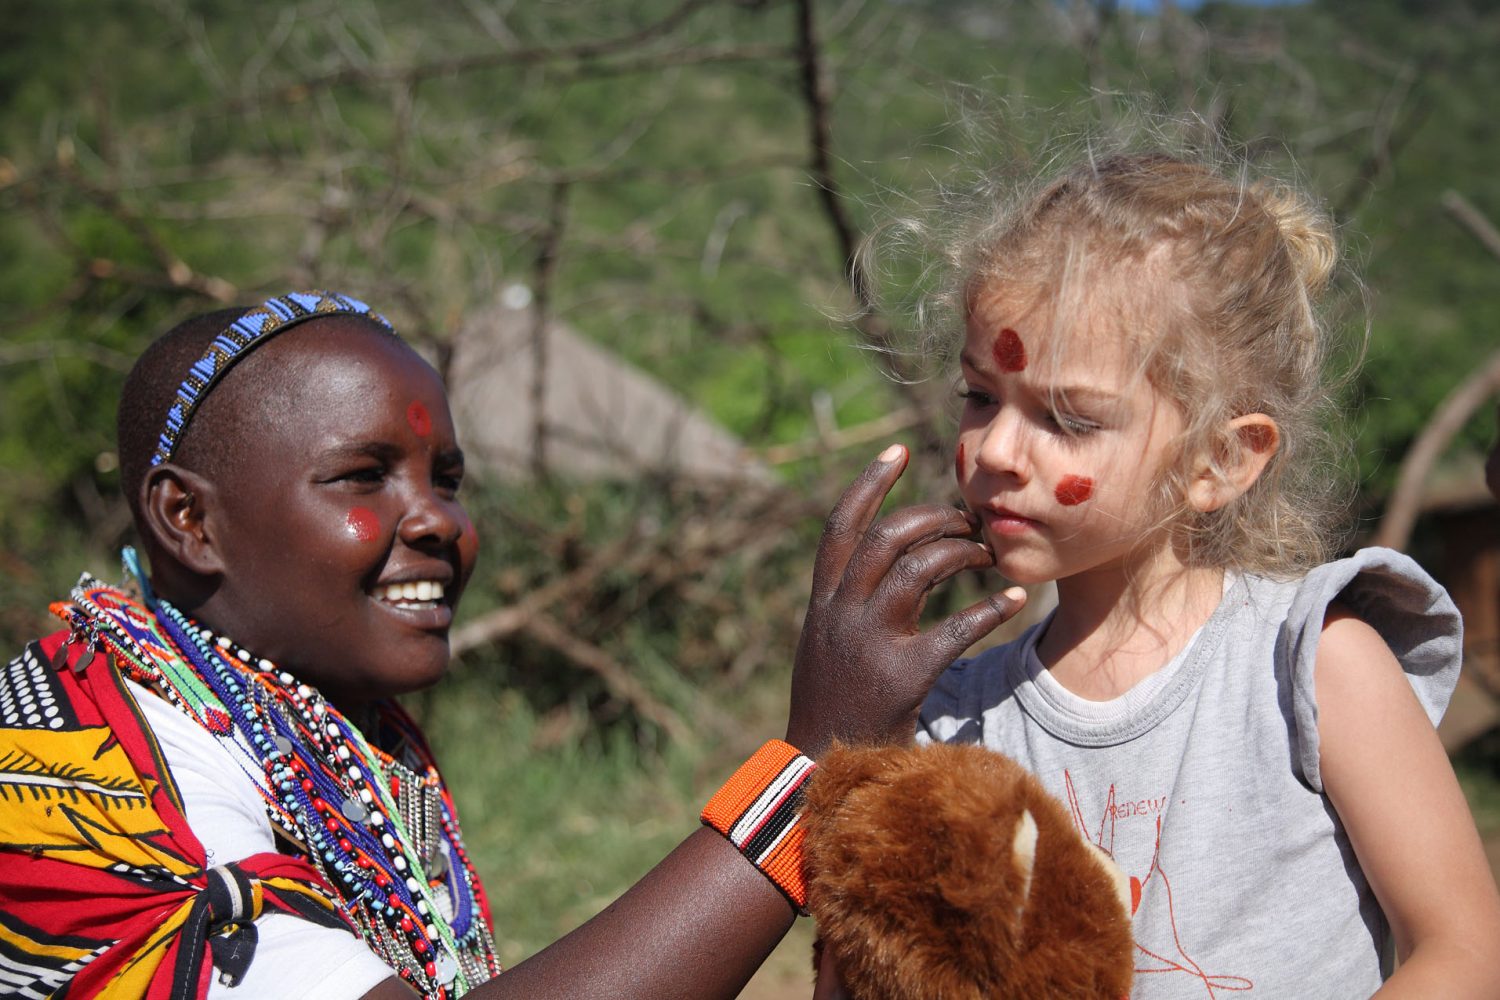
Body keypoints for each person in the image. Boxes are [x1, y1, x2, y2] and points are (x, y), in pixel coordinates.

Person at [0, 290, 1026, 999]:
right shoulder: (65, 765)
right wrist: (808, 769)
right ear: (189, 520)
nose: (439, 520)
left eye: (446, 478)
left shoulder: (333, 729)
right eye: (363, 476)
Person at [821, 152, 1500, 997]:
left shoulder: (1314, 665)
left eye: (1067, 418)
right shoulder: (953, 721)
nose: (995, 451)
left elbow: (1465, 951)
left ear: (1219, 459)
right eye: (981, 395)